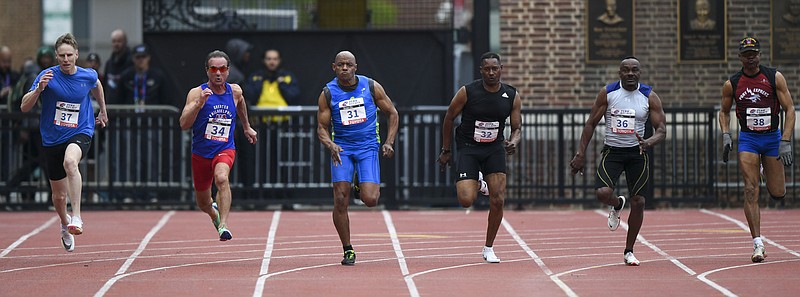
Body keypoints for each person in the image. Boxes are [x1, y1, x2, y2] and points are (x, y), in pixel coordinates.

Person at [569, 56, 666, 266]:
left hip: (637, 154)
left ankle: (629, 250)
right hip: (613, 151)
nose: (630, 73)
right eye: (626, 70)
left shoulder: (649, 96)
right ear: (619, 73)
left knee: (639, 201)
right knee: (602, 193)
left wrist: (648, 142)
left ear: (640, 73)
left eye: (635, 70)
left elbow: (662, 130)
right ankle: (617, 203)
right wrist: (580, 154)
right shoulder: (608, 93)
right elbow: (591, 123)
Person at [20, 33, 109, 252]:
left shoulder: (87, 75)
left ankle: (77, 216)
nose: (66, 59)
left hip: (81, 130)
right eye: (61, 56)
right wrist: (39, 89)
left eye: (69, 55)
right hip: (52, 138)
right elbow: (24, 106)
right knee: (58, 197)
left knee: (71, 162)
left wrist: (103, 110)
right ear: (56, 57)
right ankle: (64, 222)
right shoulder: (46, 76)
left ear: (77, 55)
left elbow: (96, 84)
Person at [436, 52, 522, 264]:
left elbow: (517, 127)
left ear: (501, 68)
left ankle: (489, 247)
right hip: (469, 147)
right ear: (481, 70)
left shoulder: (511, 95)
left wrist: (514, 140)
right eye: (487, 69)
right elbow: (449, 117)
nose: (491, 73)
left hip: (494, 148)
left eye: (495, 68)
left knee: (498, 199)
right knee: (466, 200)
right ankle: (480, 183)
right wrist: (446, 150)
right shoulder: (468, 92)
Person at [316, 50, 399, 265]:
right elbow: (321, 128)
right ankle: (348, 249)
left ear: (355, 67)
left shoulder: (371, 87)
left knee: (370, 200)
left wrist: (388, 142)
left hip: (367, 148)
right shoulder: (328, 93)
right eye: (340, 64)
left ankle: (358, 183)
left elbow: (393, 113)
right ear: (334, 67)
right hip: (342, 149)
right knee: (340, 199)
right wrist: (330, 144)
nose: (345, 68)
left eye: (349, 65)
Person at [718, 36, 795, 263]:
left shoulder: (774, 77)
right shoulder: (732, 83)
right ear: (740, 57)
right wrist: (725, 134)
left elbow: (790, 109)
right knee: (751, 190)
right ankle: (757, 243)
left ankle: (766, 168)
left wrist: (786, 141)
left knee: (778, 192)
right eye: (746, 55)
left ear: (759, 55)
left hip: (772, 138)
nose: (751, 59)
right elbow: (724, 111)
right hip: (749, 139)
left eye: (754, 54)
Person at [179, 50, 257, 241]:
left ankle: (224, 225)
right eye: (214, 69)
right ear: (207, 70)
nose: (218, 73)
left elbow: (241, 104)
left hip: (224, 148)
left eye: (222, 69)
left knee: (222, 178)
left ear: (228, 71)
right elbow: (183, 124)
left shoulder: (235, 91)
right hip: (201, 153)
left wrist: (246, 126)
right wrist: (199, 104)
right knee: (203, 203)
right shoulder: (196, 93)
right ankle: (214, 214)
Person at [244, 49, 302, 198]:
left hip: (283, 126)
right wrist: (260, 83)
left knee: (284, 160)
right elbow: (249, 94)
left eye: (275, 59)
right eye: (269, 58)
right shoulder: (256, 76)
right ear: (264, 60)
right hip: (261, 126)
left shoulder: (287, 77)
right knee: (260, 161)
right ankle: (258, 195)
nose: (272, 62)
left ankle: (285, 196)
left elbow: (294, 95)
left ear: (279, 60)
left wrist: (282, 84)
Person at [103, 29, 132, 104]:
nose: (116, 44)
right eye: (114, 41)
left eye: (119, 41)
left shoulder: (131, 62)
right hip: (110, 106)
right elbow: (105, 85)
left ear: (125, 42)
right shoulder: (109, 63)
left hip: (126, 107)